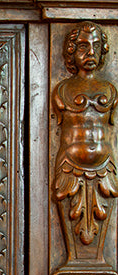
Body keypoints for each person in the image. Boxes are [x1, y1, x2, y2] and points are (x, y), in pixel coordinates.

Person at [53, 21, 118, 247]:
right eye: (82, 47)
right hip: (70, 166)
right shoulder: (61, 90)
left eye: (96, 47)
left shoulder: (110, 90)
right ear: (71, 52)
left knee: (95, 230)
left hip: (104, 167)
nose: (90, 53)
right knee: (75, 226)